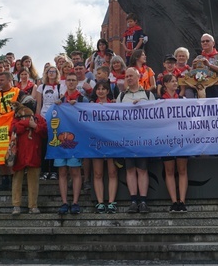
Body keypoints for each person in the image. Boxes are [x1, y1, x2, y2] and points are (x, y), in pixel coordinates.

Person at [117, 68, 155, 213]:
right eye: (126, 76)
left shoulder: (147, 94)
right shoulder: (121, 96)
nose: (129, 78)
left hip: (144, 137)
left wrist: (143, 105)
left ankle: (143, 201)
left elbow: (155, 113)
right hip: (127, 137)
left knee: (142, 169)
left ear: (138, 77)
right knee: (130, 169)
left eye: (131, 75)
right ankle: (133, 200)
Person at [54, 73, 87, 215]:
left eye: (74, 80)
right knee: (62, 171)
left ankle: (75, 202)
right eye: (69, 80)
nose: (71, 82)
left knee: (75, 171)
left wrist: (78, 106)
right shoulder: (60, 100)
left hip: (76, 141)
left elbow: (88, 117)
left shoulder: (82, 98)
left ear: (77, 82)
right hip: (61, 141)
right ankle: (64, 202)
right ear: (65, 82)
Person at [10, 102, 47, 216]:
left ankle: (33, 206)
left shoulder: (38, 118)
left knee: (34, 180)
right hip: (19, 153)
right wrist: (27, 123)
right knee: (17, 180)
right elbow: (12, 130)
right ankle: (16, 205)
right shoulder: (16, 118)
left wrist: (35, 126)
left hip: (34, 153)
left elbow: (45, 132)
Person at [160, 75, 190, 212]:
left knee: (182, 170)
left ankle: (182, 201)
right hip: (166, 140)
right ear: (165, 84)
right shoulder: (159, 101)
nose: (175, 83)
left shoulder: (183, 100)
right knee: (169, 170)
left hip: (181, 139)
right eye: (172, 81)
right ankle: (174, 201)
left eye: (175, 81)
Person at [90, 81, 119, 214]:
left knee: (112, 172)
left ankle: (111, 202)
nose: (101, 91)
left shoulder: (114, 104)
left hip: (111, 141)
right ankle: (100, 202)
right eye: (98, 89)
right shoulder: (89, 106)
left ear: (108, 91)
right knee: (98, 173)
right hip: (96, 142)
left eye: (103, 89)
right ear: (95, 91)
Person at [35, 66, 61, 181]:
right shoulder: (42, 86)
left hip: (56, 117)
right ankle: (45, 170)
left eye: (53, 71)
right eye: (49, 71)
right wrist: (37, 117)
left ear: (57, 73)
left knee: (55, 143)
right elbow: (39, 104)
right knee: (44, 144)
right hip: (44, 116)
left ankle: (54, 171)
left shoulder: (61, 86)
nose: (51, 73)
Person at [199, 34, 218, 98]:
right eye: (203, 41)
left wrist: (209, 65)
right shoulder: (199, 57)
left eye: (207, 41)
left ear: (213, 43)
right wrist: (193, 67)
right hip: (202, 88)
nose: (205, 43)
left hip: (216, 87)